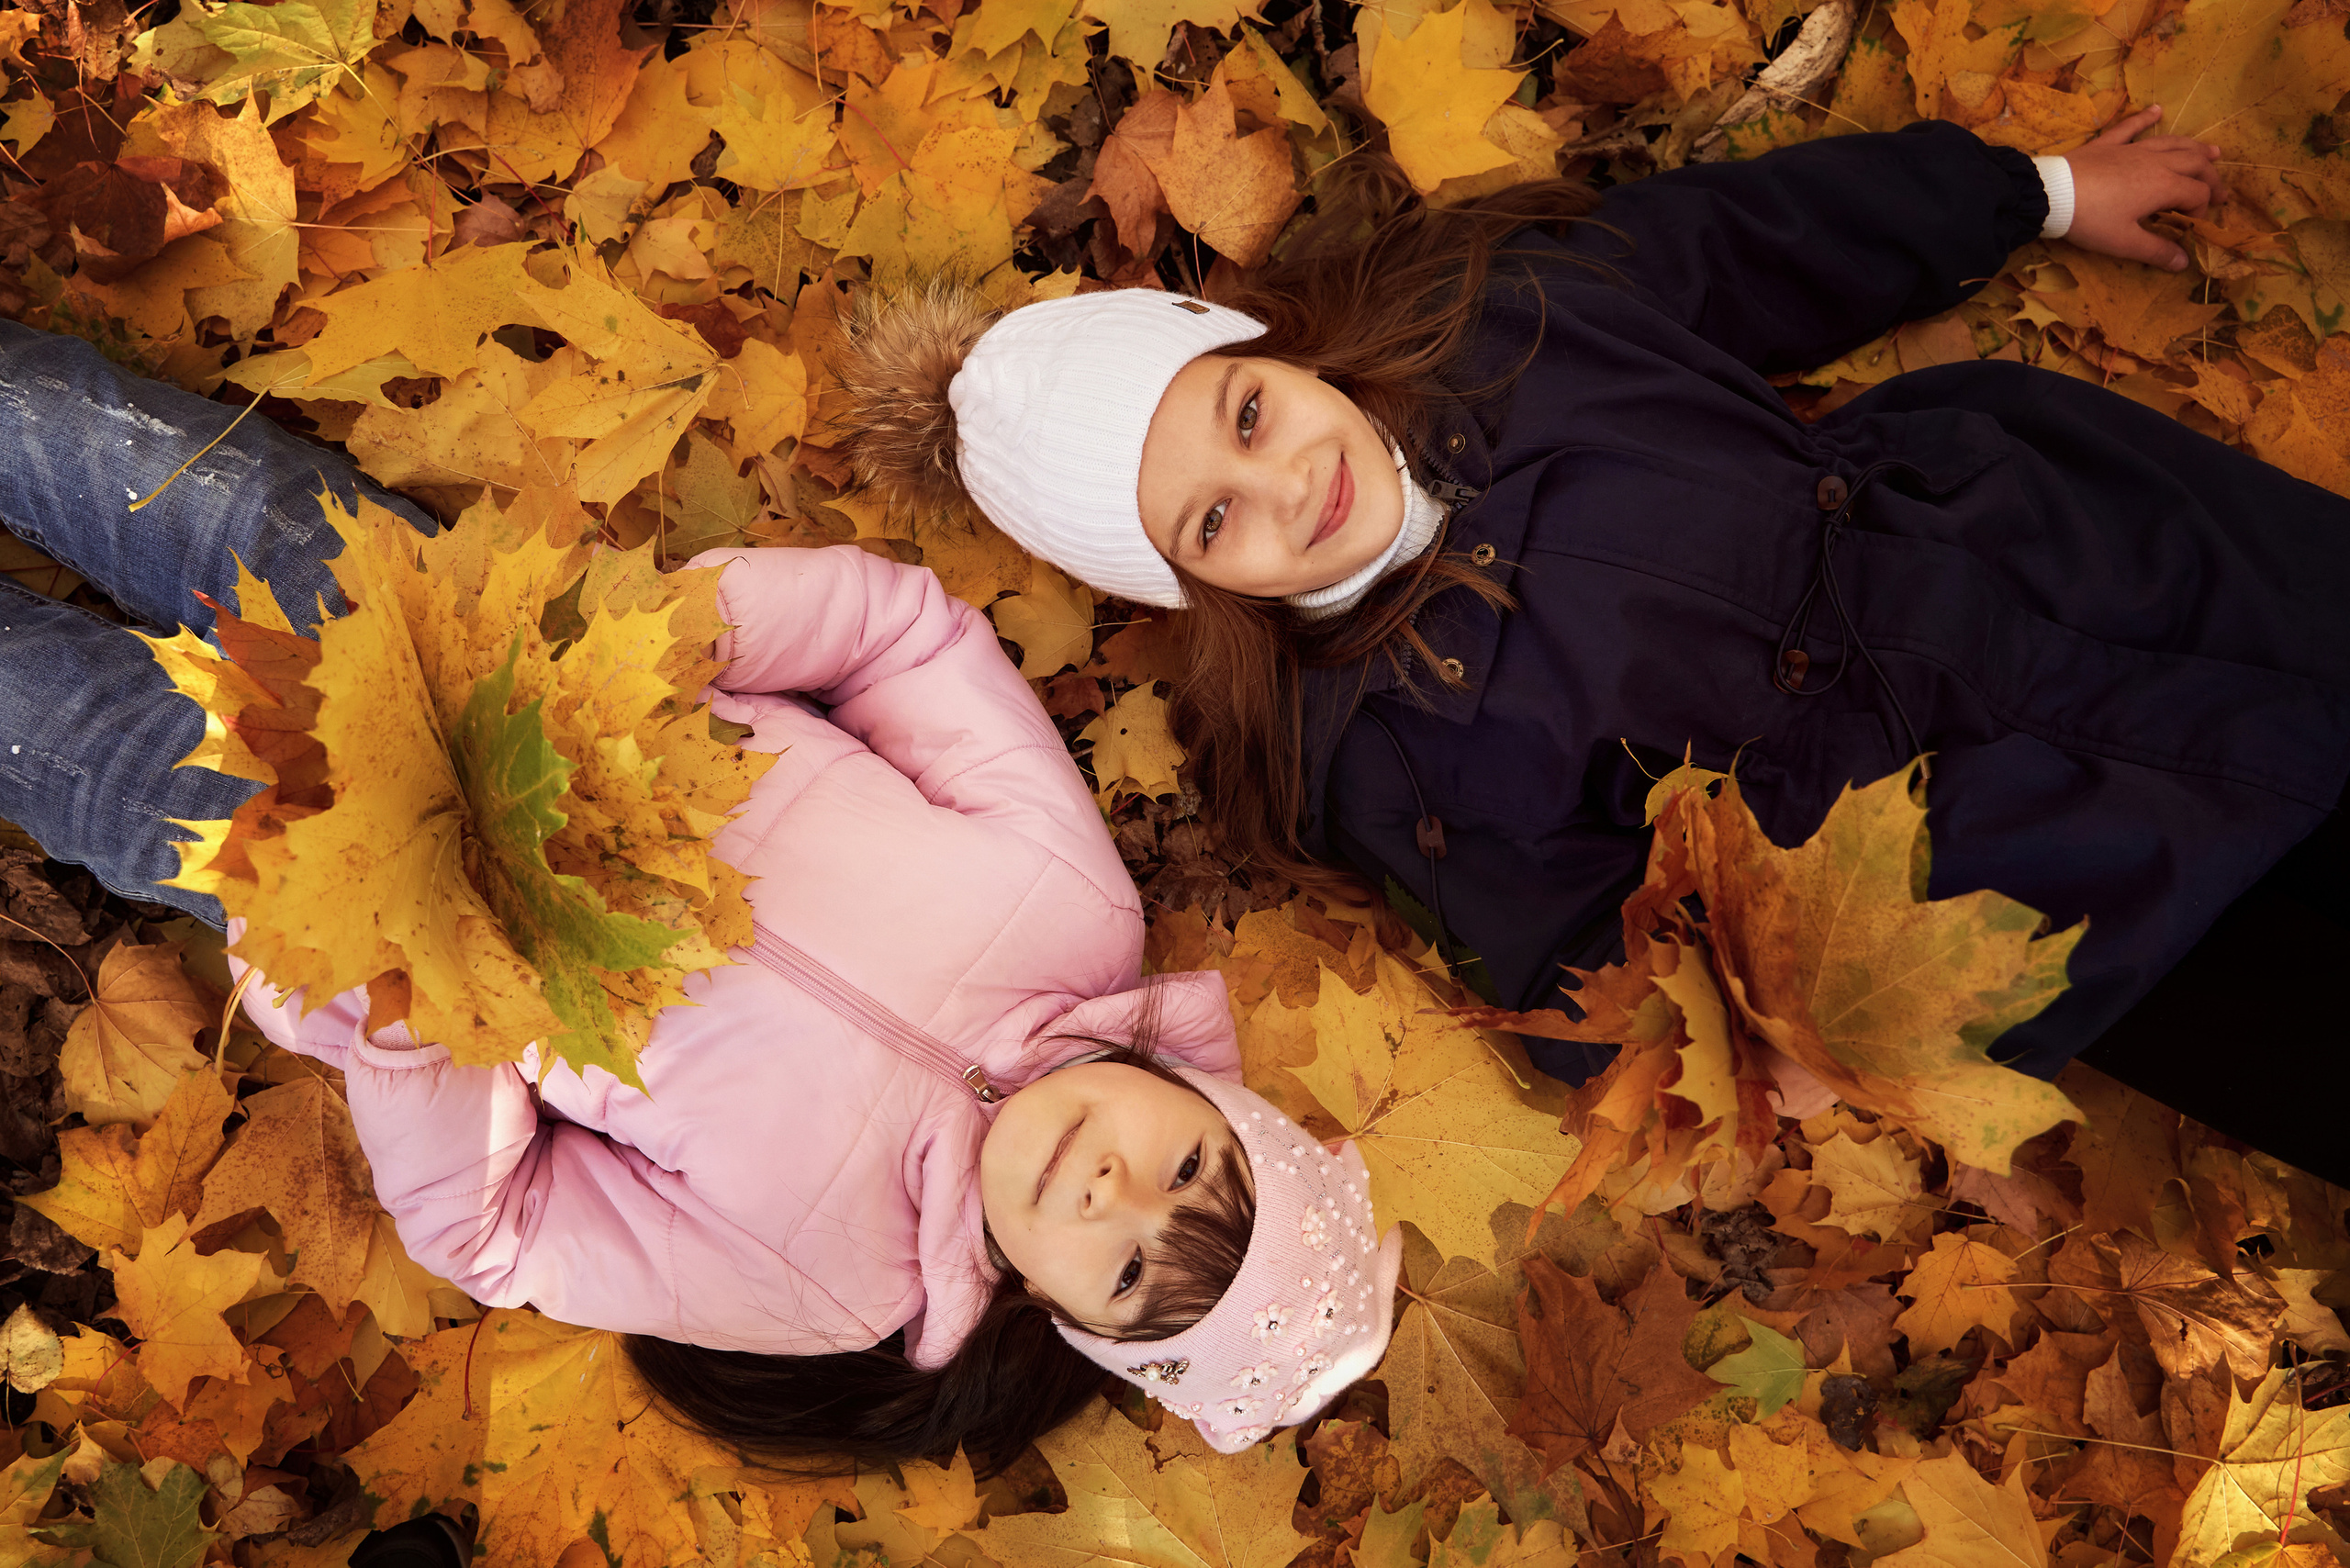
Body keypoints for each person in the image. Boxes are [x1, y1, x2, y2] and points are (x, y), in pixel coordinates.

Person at [0, 320, 1407, 1514]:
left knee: (51, 720)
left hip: (308, 869)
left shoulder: (833, 1284)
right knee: (129, 466)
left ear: (1062, 1318)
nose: (1116, 1195)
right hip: (471, 650)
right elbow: (903, 644)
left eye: (1128, 1269)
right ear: (1198, 1093)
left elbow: (505, 1230)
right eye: (1187, 1174)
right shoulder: (1070, 910)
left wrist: (427, 1010)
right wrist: (684, 637)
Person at [842, 108, 2350, 1186]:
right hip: (1965, 847)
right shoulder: (1373, 748)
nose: (1289, 484)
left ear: (1266, 352)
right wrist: (1758, 1045)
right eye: (1215, 522)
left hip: (2024, 545)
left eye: (1248, 415)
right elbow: (1567, 962)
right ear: (1195, 591)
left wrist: (2035, 191)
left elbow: (1770, 242)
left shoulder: (1509, 314)